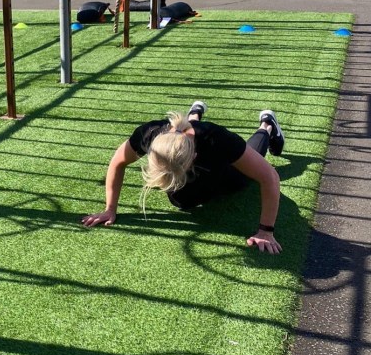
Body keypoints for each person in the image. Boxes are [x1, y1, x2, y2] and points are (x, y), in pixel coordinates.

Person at [82, 100, 285, 254]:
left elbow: (270, 177)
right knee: (181, 201)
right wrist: (110, 209)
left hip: (222, 167)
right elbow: (118, 162)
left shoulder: (217, 139)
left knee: (240, 181)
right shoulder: (148, 134)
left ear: (194, 158)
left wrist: (266, 231)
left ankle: (267, 126)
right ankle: (193, 116)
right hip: (188, 146)